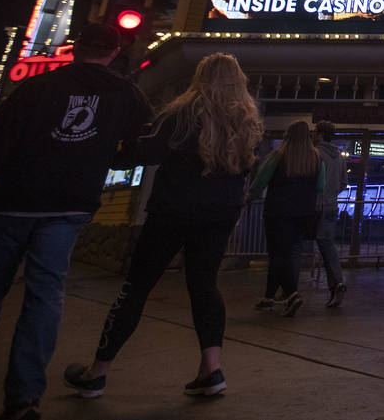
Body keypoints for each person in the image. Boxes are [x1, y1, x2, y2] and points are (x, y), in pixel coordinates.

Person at [0, 24, 151, 420]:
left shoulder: (36, 89)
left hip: (11, 203)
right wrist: (102, 157)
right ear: (114, 51)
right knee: (43, 299)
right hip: (68, 208)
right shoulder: (127, 94)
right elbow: (140, 142)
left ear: (75, 49)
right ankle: (23, 397)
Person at [62, 53, 263, 401]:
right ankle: (211, 370)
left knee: (137, 287)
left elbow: (145, 153)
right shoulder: (245, 120)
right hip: (220, 214)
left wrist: (107, 145)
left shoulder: (181, 114)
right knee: (204, 286)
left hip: (173, 211)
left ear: (200, 78)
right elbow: (247, 168)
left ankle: (97, 373)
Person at [247, 121, 323, 317]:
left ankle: (292, 294)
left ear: (288, 135)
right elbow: (321, 186)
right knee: (288, 253)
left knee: (277, 255)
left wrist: (248, 198)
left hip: (278, 212)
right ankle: (269, 297)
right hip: (304, 213)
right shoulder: (316, 159)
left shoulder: (277, 156)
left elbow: (260, 182)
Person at [312, 122, 348, 308]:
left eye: (315, 132)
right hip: (331, 205)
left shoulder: (315, 153)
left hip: (315, 205)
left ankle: (284, 290)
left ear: (321, 134)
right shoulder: (340, 157)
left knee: (292, 246)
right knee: (327, 246)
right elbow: (344, 183)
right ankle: (336, 284)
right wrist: (332, 193)